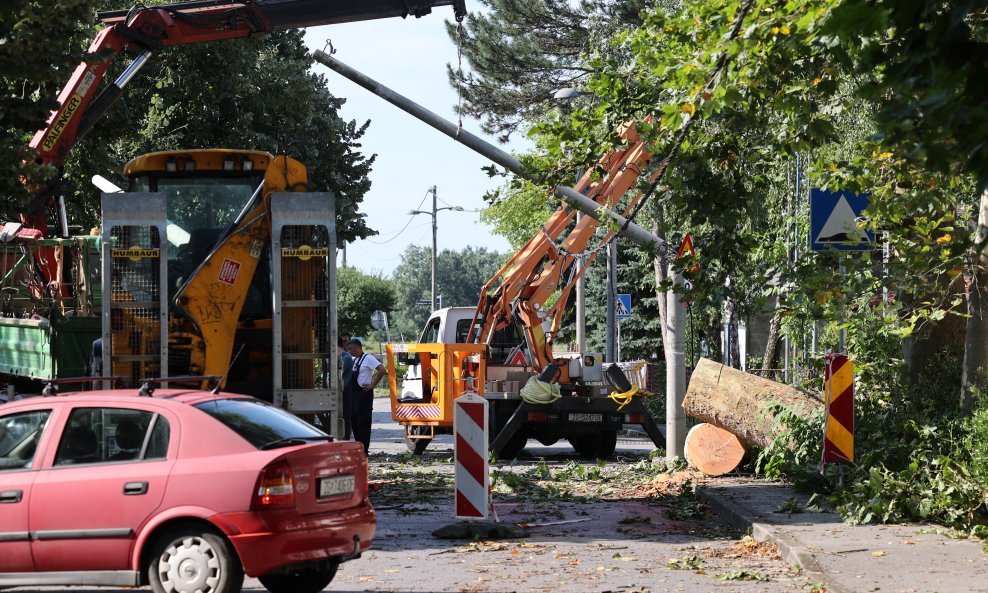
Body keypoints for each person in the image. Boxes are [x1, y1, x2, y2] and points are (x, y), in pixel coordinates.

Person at [346, 338, 384, 454]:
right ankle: (359, 448)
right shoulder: (353, 360)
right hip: (353, 395)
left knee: (363, 424)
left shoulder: (368, 358)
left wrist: (373, 384)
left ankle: (364, 451)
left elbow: (382, 369)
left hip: (363, 395)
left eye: (350, 349)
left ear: (357, 348)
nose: (349, 351)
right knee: (354, 422)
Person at [338, 335, 354, 439]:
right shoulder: (337, 357)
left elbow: (338, 373)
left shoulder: (346, 357)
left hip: (345, 392)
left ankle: (345, 440)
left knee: (346, 418)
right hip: (339, 392)